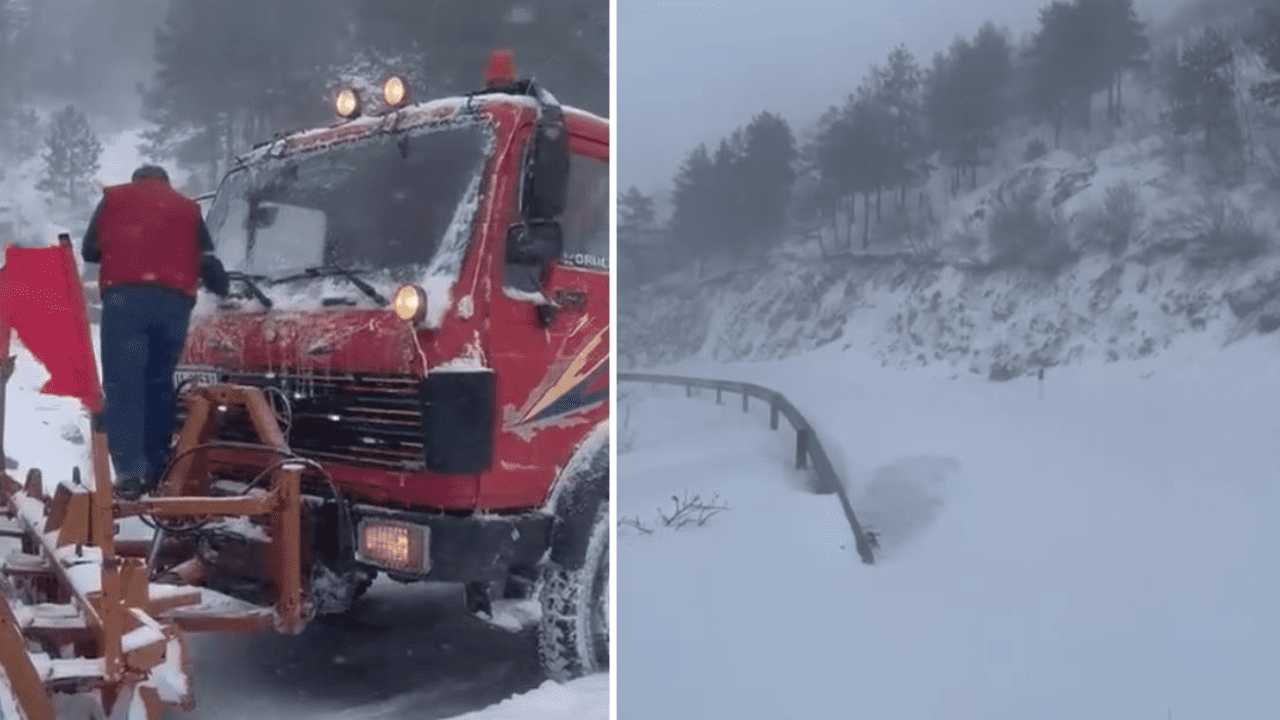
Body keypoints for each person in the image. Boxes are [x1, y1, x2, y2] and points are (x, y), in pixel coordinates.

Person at [81, 165, 230, 500]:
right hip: (173, 305)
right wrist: (224, 288)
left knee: (124, 384)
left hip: (127, 300)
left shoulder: (114, 199)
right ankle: (157, 463)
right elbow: (208, 261)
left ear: (136, 180)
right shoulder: (187, 207)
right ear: (165, 182)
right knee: (159, 382)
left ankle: (131, 474)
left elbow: (89, 250)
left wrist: (125, 245)